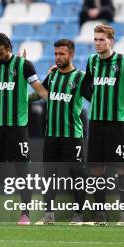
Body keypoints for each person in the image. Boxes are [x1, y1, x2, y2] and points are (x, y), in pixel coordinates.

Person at [0, 33, 49, 225]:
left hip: (17, 129)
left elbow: (40, 90)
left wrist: (54, 97)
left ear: (8, 48)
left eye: (0, 53)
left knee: (21, 172)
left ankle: (25, 214)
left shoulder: (24, 65)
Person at [83, 25, 124, 226]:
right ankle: (99, 214)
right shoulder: (92, 61)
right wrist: (96, 100)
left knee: (122, 169)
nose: (97, 43)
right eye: (95, 39)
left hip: (117, 124)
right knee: (97, 170)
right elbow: (84, 86)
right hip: (96, 123)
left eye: (101, 39)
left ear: (111, 41)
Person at [31, 39, 89, 226]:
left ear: (71, 55)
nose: (57, 57)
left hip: (72, 135)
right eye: (56, 53)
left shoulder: (80, 77)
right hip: (52, 135)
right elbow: (38, 94)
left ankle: (79, 215)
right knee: (49, 176)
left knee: (77, 175)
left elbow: (94, 95)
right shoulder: (53, 76)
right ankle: (49, 215)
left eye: (61, 54)